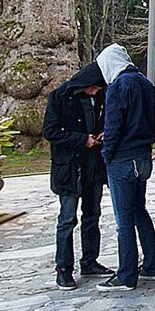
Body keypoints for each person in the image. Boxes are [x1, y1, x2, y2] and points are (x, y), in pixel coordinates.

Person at [97, 44, 155, 291]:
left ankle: (126, 274)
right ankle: (151, 265)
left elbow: (114, 125)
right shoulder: (146, 83)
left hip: (123, 159)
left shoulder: (118, 86)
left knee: (123, 219)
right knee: (139, 211)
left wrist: (107, 154)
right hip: (143, 156)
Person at [43, 59, 110, 288]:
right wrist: (82, 140)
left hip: (92, 166)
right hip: (69, 167)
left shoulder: (99, 98)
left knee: (92, 215)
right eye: (93, 87)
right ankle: (63, 268)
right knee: (67, 218)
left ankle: (90, 260)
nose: (95, 92)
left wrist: (100, 134)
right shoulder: (60, 97)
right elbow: (51, 131)